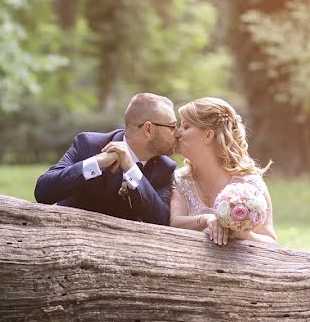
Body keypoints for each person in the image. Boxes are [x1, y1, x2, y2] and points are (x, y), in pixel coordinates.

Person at [34, 93, 179, 225]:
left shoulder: (165, 168)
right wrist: (96, 163)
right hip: (71, 241)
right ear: (148, 129)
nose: (178, 133)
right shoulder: (89, 145)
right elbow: (43, 192)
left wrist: (131, 169)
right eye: (172, 127)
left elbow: (161, 221)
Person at [170, 97, 278, 246]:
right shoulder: (181, 179)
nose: (177, 133)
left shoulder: (249, 183)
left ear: (208, 135)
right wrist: (206, 219)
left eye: (186, 127)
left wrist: (241, 233)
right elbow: (173, 223)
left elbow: (271, 241)